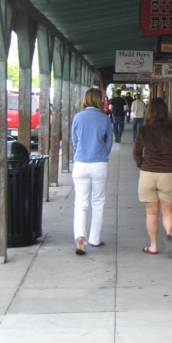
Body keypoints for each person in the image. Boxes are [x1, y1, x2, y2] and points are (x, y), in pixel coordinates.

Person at [132, 97, 172, 256]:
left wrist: (142, 165)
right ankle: (169, 235)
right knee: (168, 212)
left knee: (151, 213)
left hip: (148, 174)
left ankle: (153, 246)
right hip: (169, 174)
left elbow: (136, 153)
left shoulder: (143, 130)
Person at [70, 87, 113, 255]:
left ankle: (80, 237)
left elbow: (74, 140)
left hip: (80, 163)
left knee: (80, 203)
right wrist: (101, 153)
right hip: (99, 164)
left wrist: (81, 151)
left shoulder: (78, 118)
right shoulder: (104, 119)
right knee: (98, 202)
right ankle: (95, 238)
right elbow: (109, 143)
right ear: (98, 100)